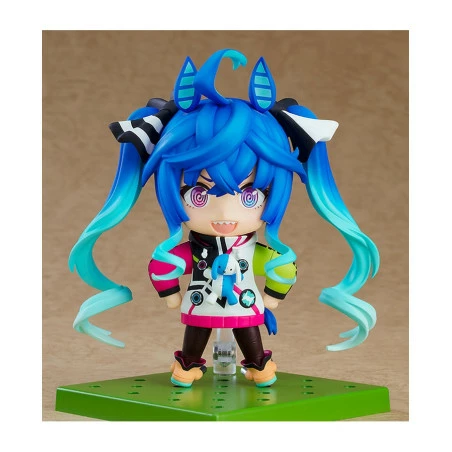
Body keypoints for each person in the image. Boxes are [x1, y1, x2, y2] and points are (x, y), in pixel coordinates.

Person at [69, 49, 379, 388]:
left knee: (249, 331)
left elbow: (281, 267)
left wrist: (272, 296)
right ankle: (188, 364)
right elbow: (164, 264)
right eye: (199, 194)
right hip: (201, 302)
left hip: (245, 303)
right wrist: (170, 293)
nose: (225, 214)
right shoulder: (196, 249)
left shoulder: (251, 250)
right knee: (196, 333)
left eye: (250, 196)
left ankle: (259, 364)